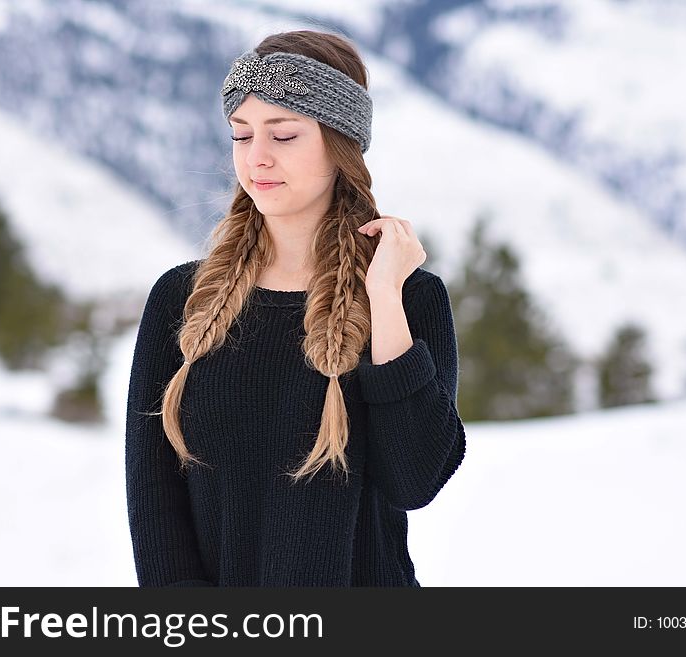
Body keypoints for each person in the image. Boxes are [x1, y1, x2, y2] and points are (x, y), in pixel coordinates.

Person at [125, 29, 465, 587]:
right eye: (241, 135)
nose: (257, 157)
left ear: (340, 145)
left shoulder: (410, 299)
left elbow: (416, 480)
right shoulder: (182, 301)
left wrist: (382, 298)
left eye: (283, 134)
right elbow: (154, 508)